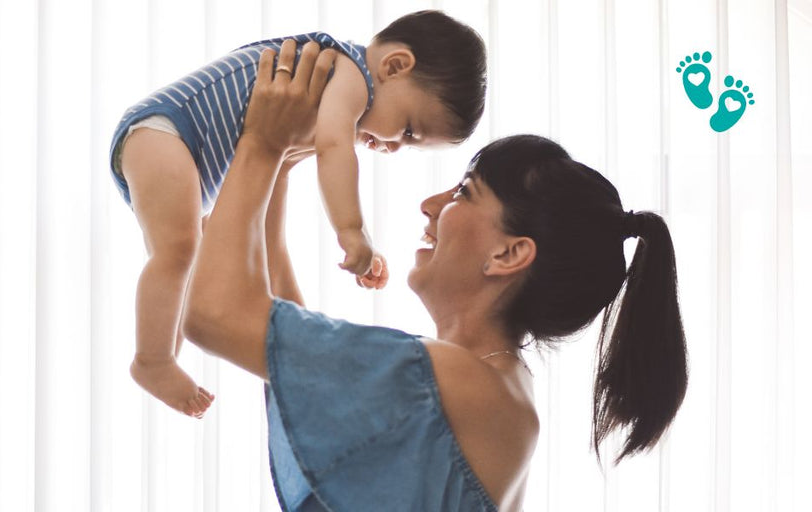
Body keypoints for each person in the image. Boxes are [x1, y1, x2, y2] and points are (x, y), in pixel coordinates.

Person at [183, 43, 689, 510]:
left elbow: (213, 318)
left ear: (509, 253)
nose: (431, 206)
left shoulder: (464, 381)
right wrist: (278, 169)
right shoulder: (489, 382)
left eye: (464, 193)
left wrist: (260, 144)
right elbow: (284, 342)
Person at [113, 10, 487, 417]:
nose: (395, 146)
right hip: (166, 129)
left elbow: (270, 225)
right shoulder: (350, 74)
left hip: (182, 152)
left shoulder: (318, 98)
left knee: (188, 256)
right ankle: (153, 360)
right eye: (409, 130)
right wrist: (352, 231)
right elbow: (333, 149)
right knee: (179, 251)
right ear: (395, 66)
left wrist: (301, 329)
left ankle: (160, 357)